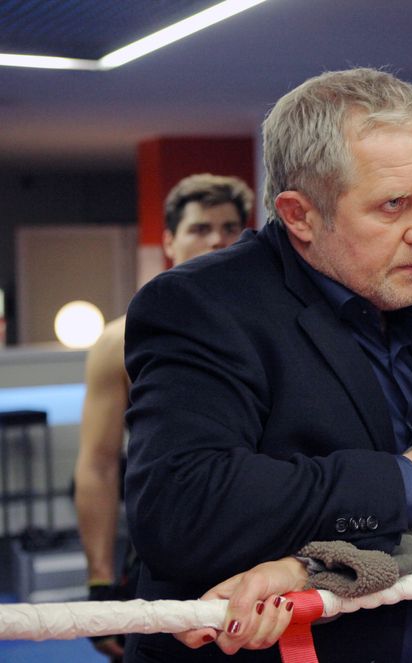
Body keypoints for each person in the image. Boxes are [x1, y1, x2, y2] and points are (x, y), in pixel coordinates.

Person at [122, 68, 412, 663]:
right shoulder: (204, 304)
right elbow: (180, 505)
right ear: (299, 215)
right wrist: (407, 484)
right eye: (393, 205)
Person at [72, 172, 253, 662]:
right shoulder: (121, 339)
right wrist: (100, 582)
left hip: (260, 553)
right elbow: (98, 465)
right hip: (163, 555)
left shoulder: (268, 330)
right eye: (200, 228)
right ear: (170, 242)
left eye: (230, 227)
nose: (217, 240)